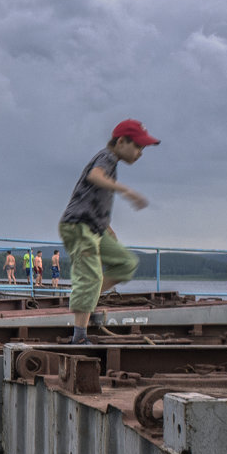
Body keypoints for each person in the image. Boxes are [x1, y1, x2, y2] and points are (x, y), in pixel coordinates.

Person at [58, 119, 156, 344]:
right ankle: (79, 338)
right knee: (91, 276)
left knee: (126, 263)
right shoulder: (107, 158)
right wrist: (126, 191)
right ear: (121, 141)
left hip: (95, 227)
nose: (140, 153)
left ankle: (87, 298)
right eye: (138, 147)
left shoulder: (112, 162)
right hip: (78, 227)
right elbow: (95, 177)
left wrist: (106, 226)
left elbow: (94, 198)